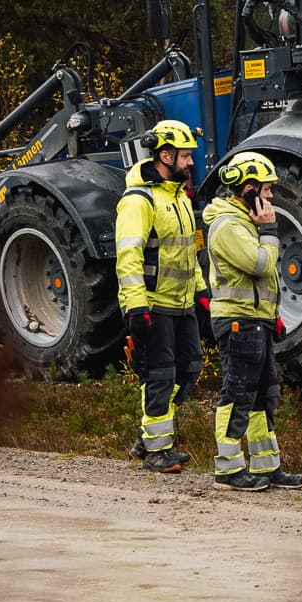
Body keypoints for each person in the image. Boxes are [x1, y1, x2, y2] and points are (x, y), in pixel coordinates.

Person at [202, 151, 302, 491]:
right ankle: (228, 469)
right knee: (238, 392)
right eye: (267, 188)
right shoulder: (229, 226)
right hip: (237, 322)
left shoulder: (244, 223)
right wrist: (270, 230)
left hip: (255, 321)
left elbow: (263, 284)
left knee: (264, 394)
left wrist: (271, 316)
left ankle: (266, 466)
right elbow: (260, 265)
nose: (271, 195)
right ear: (248, 189)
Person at [116, 119, 210, 473]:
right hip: (153, 305)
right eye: (185, 156)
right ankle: (157, 451)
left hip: (183, 302)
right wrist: (137, 306)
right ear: (165, 154)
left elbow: (188, 251)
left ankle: (147, 436)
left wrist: (201, 291)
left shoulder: (180, 198)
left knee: (190, 369)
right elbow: (129, 257)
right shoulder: (138, 201)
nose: (190, 163)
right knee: (160, 375)